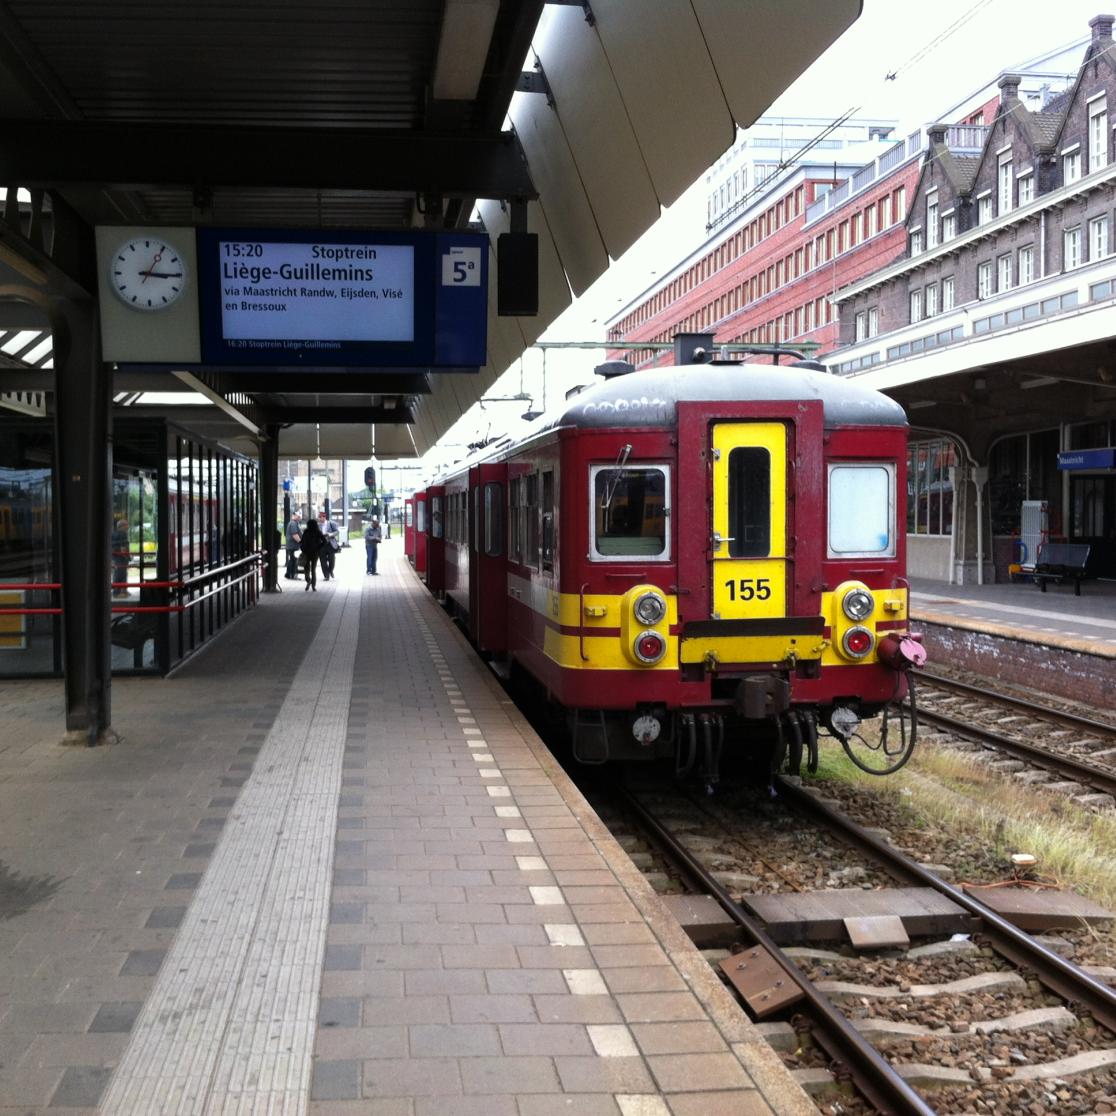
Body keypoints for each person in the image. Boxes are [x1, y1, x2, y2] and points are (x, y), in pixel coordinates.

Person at [300, 516, 324, 591]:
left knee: (306, 569)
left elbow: (302, 541)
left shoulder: (306, 531)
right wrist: (318, 547)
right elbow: (324, 541)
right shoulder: (317, 532)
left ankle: (309, 581)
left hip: (306, 552)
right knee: (313, 569)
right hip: (315, 553)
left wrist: (302, 547)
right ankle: (313, 585)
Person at [318, 511, 340, 580]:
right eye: (319, 517)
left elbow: (337, 531)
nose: (320, 519)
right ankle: (326, 576)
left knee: (332, 560)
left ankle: (330, 570)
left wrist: (330, 534)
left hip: (330, 544)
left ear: (324, 517)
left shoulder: (331, 523)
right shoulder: (318, 525)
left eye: (320, 517)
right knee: (322, 560)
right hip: (322, 545)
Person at [111, 517, 129, 598]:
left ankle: (119, 591)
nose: (128, 527)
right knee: (121, 574)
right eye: (126, 525)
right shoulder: (123, 534)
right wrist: (127, 557)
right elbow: (123, 548)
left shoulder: (114, 533)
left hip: (114, 557)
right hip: (121, 557)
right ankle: (119, 593)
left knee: (117, 573)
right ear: (122, 526)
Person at [284, 512, 302, 579]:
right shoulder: (293, 523)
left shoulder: (294, 523)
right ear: (293, 516)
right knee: (294, 560)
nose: (299, 518)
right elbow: (295, 535)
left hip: (292, 545)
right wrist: (301, 542)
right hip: (293, 546)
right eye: (298, 516)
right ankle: (292, 575)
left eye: (299, 516)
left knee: (292, 559)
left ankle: (288, 574)